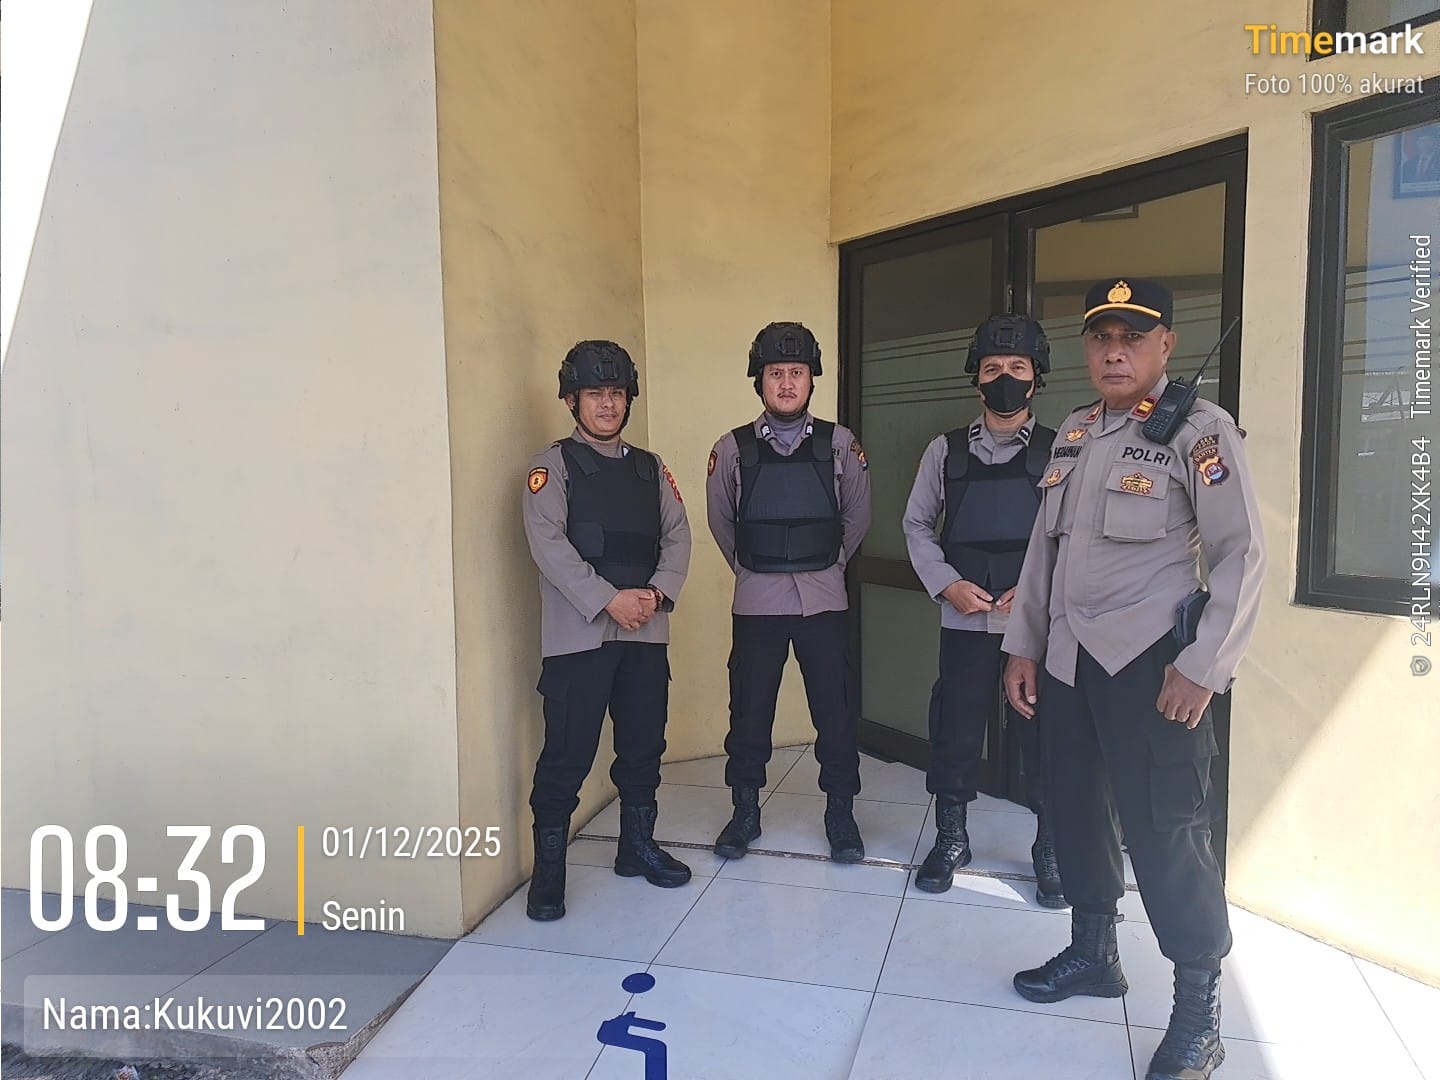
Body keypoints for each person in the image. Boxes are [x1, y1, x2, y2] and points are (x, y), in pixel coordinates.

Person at [1002, 279, 1265, 1080]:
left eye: (1133, 337)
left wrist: (1203, 668)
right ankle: (1094, 953)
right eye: (1101, 338)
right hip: (1069, 662)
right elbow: (1043, 554)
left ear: (1165, 345)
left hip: (1154, 668)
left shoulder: (1200, 431)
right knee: (1075, 810)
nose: (1114, 352)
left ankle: (1198, 1013)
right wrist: (1023, 646)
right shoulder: (1076, 432)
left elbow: (1242, 556)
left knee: (1166, 831)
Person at [522, 340, 693, 921]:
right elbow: (549, 545)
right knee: (567, 756)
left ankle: (636, 848)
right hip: (579, 639)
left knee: (643, 748)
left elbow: (678, 535)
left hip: (645, 632)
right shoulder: (552, 467)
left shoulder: (651, 468)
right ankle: (549, 873)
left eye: (616, 393)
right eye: (594, 393)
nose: (607, 404)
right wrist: (608, 600)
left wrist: (656, 595)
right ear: (572, 400)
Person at [902, 314, 1064, 906]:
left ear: (1035, 377)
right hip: (964, 616)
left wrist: (1037, 590)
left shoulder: (1060, 450)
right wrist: (947, 585)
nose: (1004, 378)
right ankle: (952, 837)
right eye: (992, 368)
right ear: (976, 378)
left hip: (1035, 624)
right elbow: (917, 524)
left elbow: (1073, 536)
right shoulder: (944, 451)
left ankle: (1050, 848)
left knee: (1044, 733)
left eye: (1017, 368)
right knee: (956, 727)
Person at [706, 321, 873, 862]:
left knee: (835, 711)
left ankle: (840, 813)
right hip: (757, 603)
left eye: (796, 372)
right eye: (775, 373)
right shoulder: (731, 448)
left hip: (824, 601)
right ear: (759, 380)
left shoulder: (840, 444)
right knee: (750, 711)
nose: (785, 383)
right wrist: (754, 569)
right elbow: (721, 521)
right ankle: (745, 811)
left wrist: (828, 565)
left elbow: (857, 516)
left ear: (811, 379)